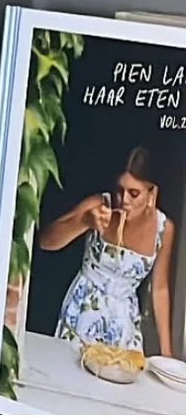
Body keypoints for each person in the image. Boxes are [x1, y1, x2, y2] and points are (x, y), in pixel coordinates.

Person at [40, 146, 177, 355]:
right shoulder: (100, 205)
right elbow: (46, 242)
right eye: (120, 190)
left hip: (124, 322)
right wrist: (84, 221)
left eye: (134, 193)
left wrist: (167, 354)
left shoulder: (164, 229)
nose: (124, 200)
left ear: (152, 194)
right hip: (84, 311)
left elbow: (160, 289)